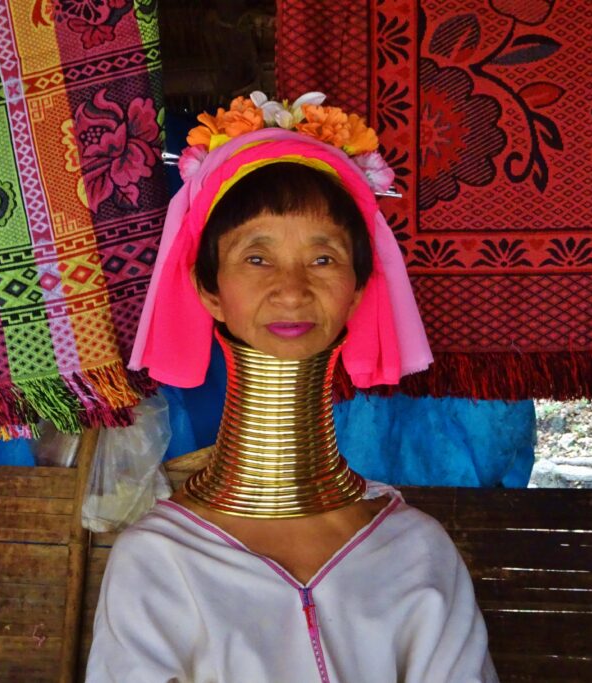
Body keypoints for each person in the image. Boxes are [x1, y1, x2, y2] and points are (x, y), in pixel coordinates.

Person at [87, 95, 498, 682]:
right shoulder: (158, 560)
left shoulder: (415, 553)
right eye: (257, 257)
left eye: (324, 259)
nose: (292, 289)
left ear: (357, 291)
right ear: (208, 290)